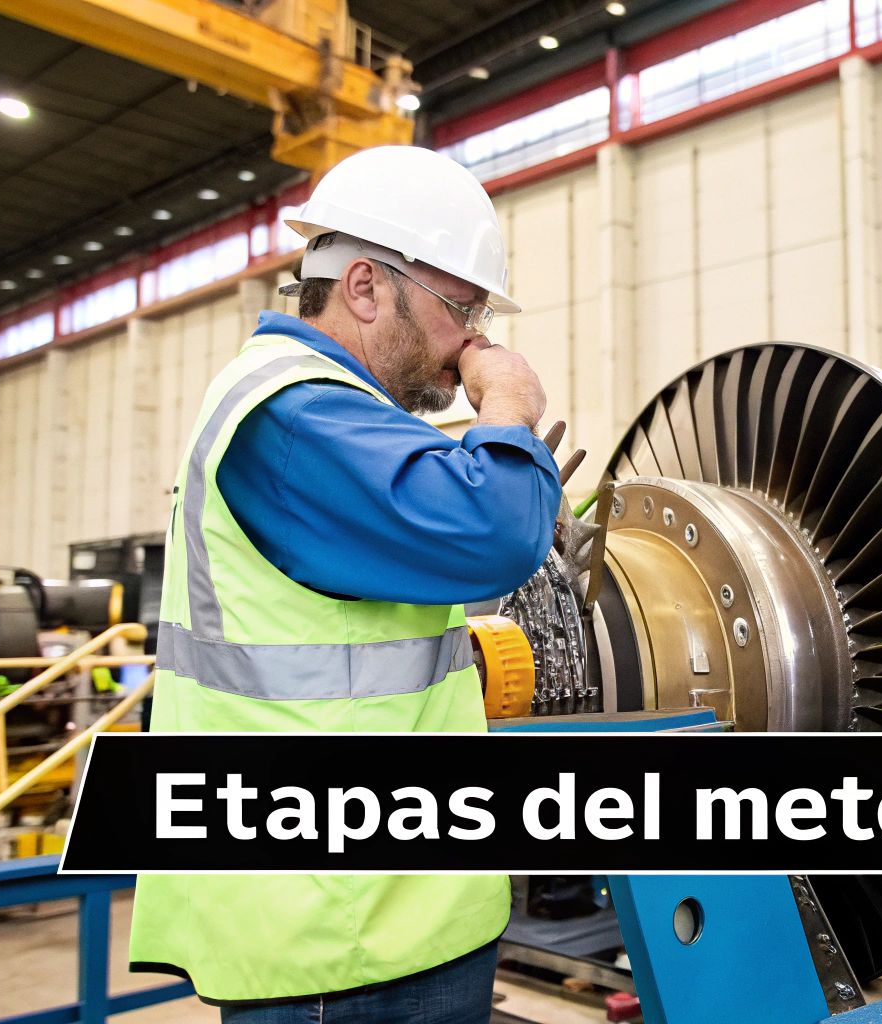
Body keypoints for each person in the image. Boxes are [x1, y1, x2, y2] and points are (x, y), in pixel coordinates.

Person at [128, 145, 563, 1022]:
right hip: (340, 935)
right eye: (462, 308)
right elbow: (494, 534)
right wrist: (509, 407)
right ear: (364, 287)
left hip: (385, 907)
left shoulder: (332, 413)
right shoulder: (296, 414)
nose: (474, 340)